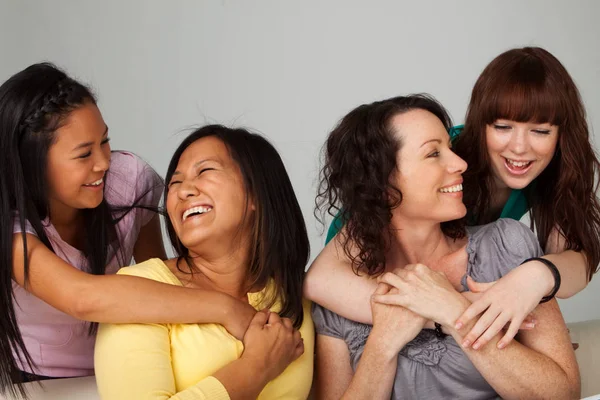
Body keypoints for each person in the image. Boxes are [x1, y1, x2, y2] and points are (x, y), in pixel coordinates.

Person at [310, 46, 600, 349]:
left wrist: (536, 277)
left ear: (561, 135)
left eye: (540, 131)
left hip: (435, 292)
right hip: (366, 281)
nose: (519, 148)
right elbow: (320, 279)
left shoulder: (554, 171)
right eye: (503, 127)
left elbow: (576, 262)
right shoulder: (451, 159)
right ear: (480, 123)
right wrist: (456, 313)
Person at [0, 64, 256, 396]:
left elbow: (161, 275)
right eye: (84, 154)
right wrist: (227, 308)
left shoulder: (128, 180)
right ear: (32, 164)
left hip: (126, 363)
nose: (104, 162)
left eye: (105, 141)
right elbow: (83, 297)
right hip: (39, 381)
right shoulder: (12, 231)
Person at [310, 95, 579, 399]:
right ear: (382, 185)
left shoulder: (506, 248)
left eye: (449, 148)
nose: (460, 163)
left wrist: (454, 312)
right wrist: (383, 344)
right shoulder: (340, 297)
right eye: (433, 153)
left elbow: (564, 393)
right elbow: (315, 279)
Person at [94, 125, 314, 399]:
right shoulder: (138, 292)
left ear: (256, 192)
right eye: (175, 183)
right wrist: (256, 367)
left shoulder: (296, 293)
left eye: (205, 171)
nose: (183, 191)